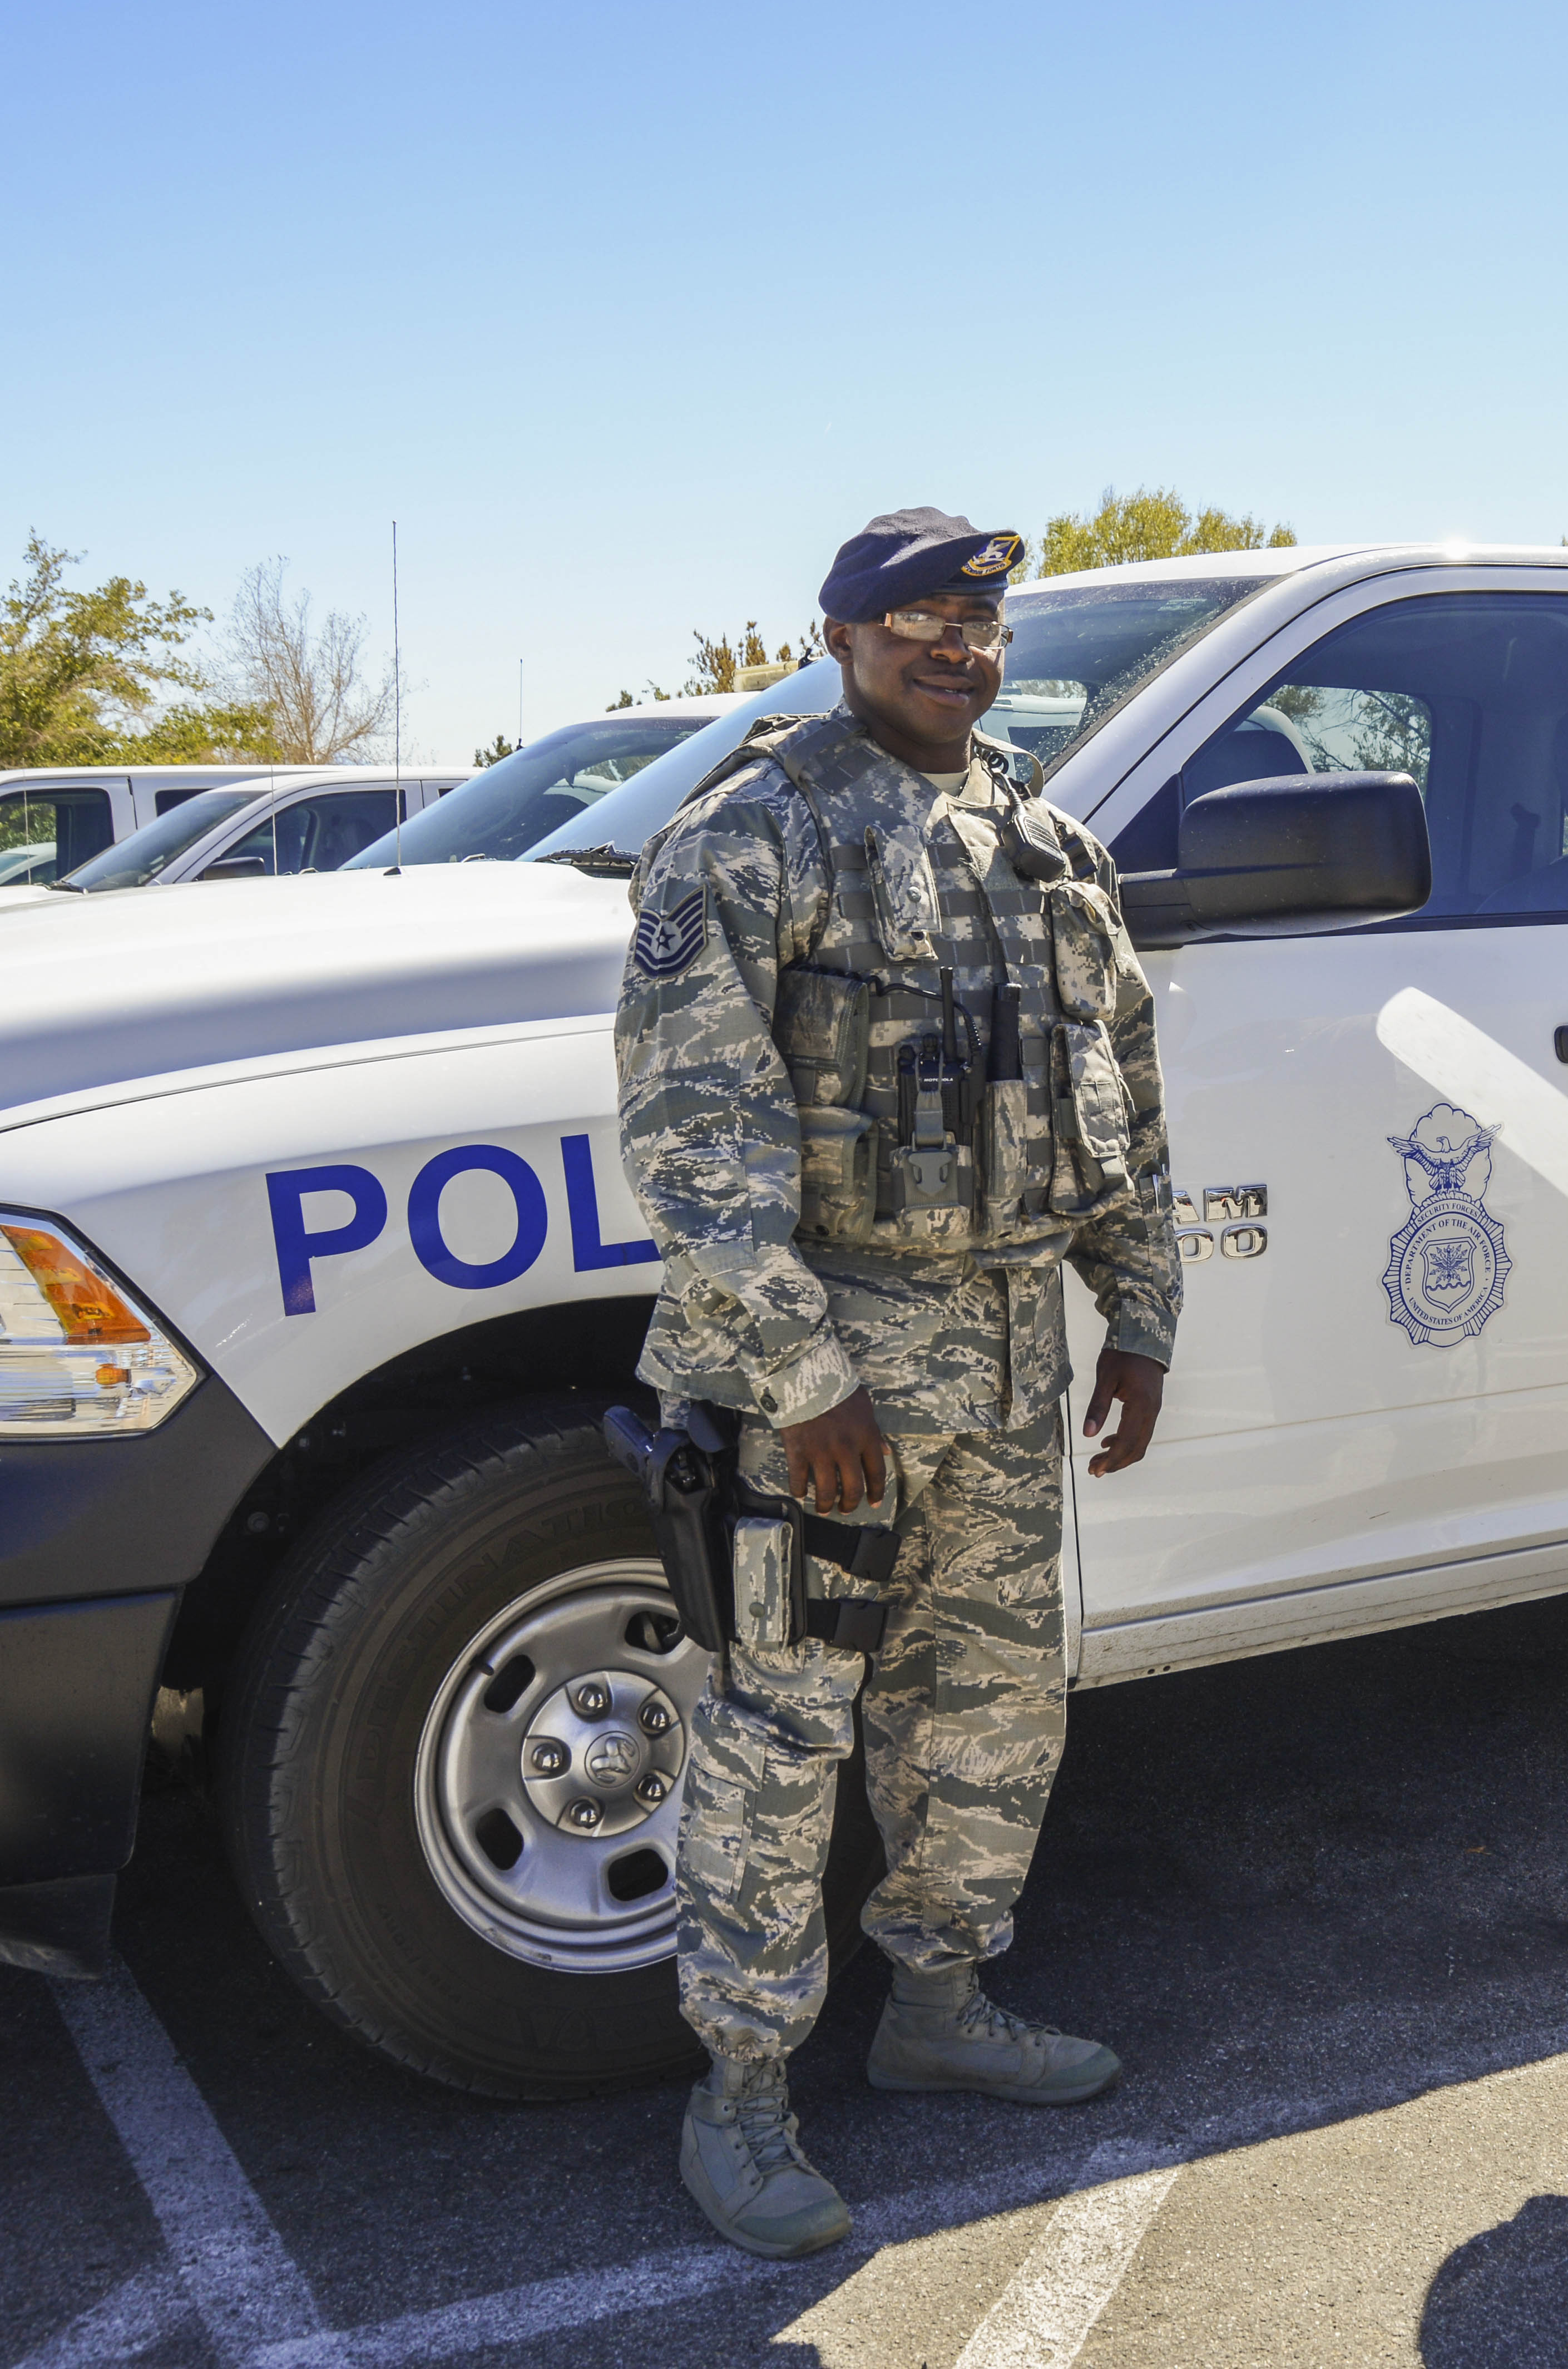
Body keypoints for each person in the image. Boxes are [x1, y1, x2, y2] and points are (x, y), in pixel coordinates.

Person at [613, 507, 1181, 2257]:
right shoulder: (748, 843)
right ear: (844, 637)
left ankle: (939, 2008)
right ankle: (743, 2095)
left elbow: (1122, 1088)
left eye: (979, 624)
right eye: (920, 619)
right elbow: (696, 1143)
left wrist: (1139, 1311)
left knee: (994, 1712)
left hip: (1007, 1361)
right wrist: (801, 1377)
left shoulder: (1042, 841)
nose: (958, 647)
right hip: (828, 1391)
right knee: (781, 1735)